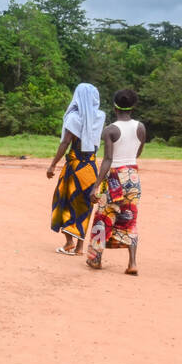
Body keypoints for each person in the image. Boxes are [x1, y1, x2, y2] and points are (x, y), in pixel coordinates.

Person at [86, 89, 145, 274]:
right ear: (133, 106)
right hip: (133, 176)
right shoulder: (141, 127)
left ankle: (96, 259)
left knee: (103, 215)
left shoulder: (110, 130)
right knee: (130, 217)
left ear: (114, 106)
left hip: (114, 178)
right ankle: (132, 263)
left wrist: (96, 186)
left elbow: (108, 159)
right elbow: (138, 152)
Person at [47, 83, 105, 255]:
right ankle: (79, 247)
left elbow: (65, 143)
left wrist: (52, 165)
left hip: (75, 166)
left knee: (64, 200)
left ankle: (68, 242)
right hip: (91, 167)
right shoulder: (100, 116)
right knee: (85, 204)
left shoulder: (74, 117)